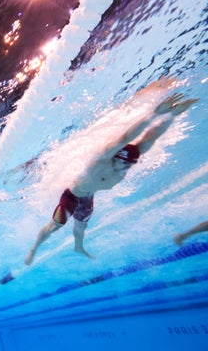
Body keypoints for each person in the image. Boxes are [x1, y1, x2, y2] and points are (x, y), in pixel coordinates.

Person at [25, 92, 198, 265]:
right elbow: (125, 137)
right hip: (72, 195)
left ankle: (79, 247)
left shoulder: (128, 161)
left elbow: (151, 136)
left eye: (129, 165)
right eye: (124, 164)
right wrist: (154, 114)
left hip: (88, 197)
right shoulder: (102, 159)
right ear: (117, 157)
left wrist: (172, 115)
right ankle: (34, 248)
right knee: (56, 226)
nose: (126, 168)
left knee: (81, 228)